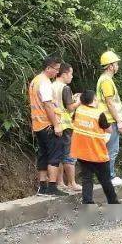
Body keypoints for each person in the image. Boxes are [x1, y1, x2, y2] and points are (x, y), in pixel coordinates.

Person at [71, 90, 120, 205]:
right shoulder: (99, 114)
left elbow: (74, 121)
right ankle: (113, 202)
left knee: (87, 178)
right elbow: (109, 129)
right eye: (96, 98)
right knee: (105, 180)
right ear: (93, 100)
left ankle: (87, 203)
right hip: (97, 153)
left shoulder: (78, 111)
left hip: (82, 151)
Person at [28, 56, 65, 196]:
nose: (57, 72)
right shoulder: (45, 83)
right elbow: (48, 105)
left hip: (38, 125)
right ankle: (52, 187)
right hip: (48, 125)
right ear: (48, 68)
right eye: (56, 69)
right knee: (55, 155)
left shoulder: (35, 81)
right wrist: (56, 125)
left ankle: (42, 186)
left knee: (43, 155)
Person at [96, 50, 122, 186]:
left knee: (108, 149)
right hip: (110, 120)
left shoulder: (104, 80)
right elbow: (109, 102)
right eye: (116, 64)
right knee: (112, 149)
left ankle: (107, 176)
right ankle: (109, 176)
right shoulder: (106, 81)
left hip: (107, 120)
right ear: (110, 66)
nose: (117, 66)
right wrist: (119, 121)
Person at [51, 62, 82, 191]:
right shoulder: (65, 88)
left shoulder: (51, 85)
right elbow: (69, 108)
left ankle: (60, 183)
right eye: (71, 73)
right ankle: (72, 183)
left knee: (58, 154)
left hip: (54, 123)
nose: (72, 76)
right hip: (65, 124)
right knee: (69, 154)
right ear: (64, 74)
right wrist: (79, 101)